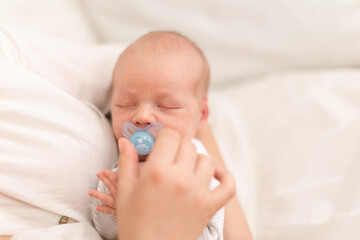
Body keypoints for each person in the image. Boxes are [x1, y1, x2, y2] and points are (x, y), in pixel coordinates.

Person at [88, 31, 225, 240]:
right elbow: (101, 229)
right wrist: (122, 209)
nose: (142, 116)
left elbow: (214, 235)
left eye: (167, 106)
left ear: (202, 114)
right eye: (126, 103)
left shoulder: (199, 166)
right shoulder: (119, 163)